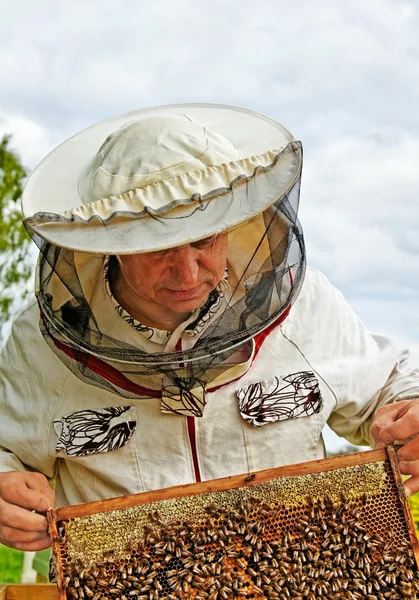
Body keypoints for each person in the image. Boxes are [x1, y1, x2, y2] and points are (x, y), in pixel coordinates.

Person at [0, 104, 418, 554]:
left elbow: (388, 385)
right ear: (111, 244)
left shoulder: (306, 305)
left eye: (203, 240)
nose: (187, 273)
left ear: (230, 225)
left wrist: (409, 410)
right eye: (156, 248)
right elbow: (7, 448)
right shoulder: (40, 340)